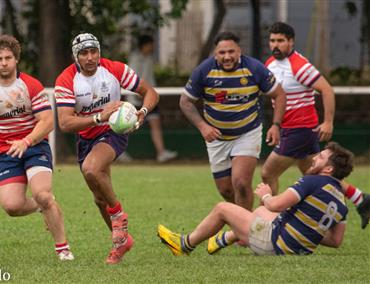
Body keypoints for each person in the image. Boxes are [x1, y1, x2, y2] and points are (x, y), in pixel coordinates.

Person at [54, 33, 159, 264]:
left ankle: (119, 216)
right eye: (84, 53)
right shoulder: (66, 79)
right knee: (99, 198)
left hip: (113, 132)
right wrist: (98, 117)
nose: (90, 58)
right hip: (86, 137)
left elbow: (150, 93)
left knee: (92, 169)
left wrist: (142, 112)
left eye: (94, 52)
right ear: (76, 56)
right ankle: (122, 243)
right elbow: (65, 123)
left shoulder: (114, 69)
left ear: (99, 52)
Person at [0, 35, 74, 261]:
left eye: (8, 57)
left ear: (16, 59)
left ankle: (63, 250)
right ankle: (42, 207)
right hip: (6, 153)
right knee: (11, 206)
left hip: (35, 147)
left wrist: (26, 141)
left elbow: (47, 121)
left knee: (42, 194)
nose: (4, 62)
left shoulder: (30, 85)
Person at [261, 22, 370, 229]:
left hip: (300, 130)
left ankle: (268, 222)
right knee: (319, 177)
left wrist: (328, 122)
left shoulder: (300, 66)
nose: (275, 45)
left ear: (291, 42)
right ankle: (360, 199)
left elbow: (327, 90)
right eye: (272, 40)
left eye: (280, 41)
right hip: (292, 131)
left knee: (268, 174)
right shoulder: (270, 64)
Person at [158, 142, 353, 256]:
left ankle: (184, 244)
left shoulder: (313, 181)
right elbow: (336, 241)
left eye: (320, 158)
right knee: (261, 212)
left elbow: (277, 204)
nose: (314, 159)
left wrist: (266, 194)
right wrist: (309, 233)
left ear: (329, 169)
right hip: (297, 250)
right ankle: (223, 239)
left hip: (275, 244)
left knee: (222, 208)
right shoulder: (342, 203)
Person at [180, 31, 286, 210]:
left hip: (247, 132)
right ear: (216, 53)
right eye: (222, 53)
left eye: (231, 52)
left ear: (239, 51)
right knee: (226, 190)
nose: (227, 56)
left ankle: (246, 232)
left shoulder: (254, 68)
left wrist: (276, 125)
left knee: (241, 184)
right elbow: (185, 102)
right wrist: (203, 126)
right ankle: (244, 222)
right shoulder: (204, 70)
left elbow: (280, 94)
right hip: (217, 138)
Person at [123, 34, 178, 163]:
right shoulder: (135, 59)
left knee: (155, 123)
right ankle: (118, 150)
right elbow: (133, 81)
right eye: (150, 45)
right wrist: (141, 95)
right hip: (135, 100)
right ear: (144, 45)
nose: (152, 47)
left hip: (148, 99)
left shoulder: (149, 58)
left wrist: (151, 96)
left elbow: (149, 80)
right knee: (127, 125)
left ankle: (161, 152)